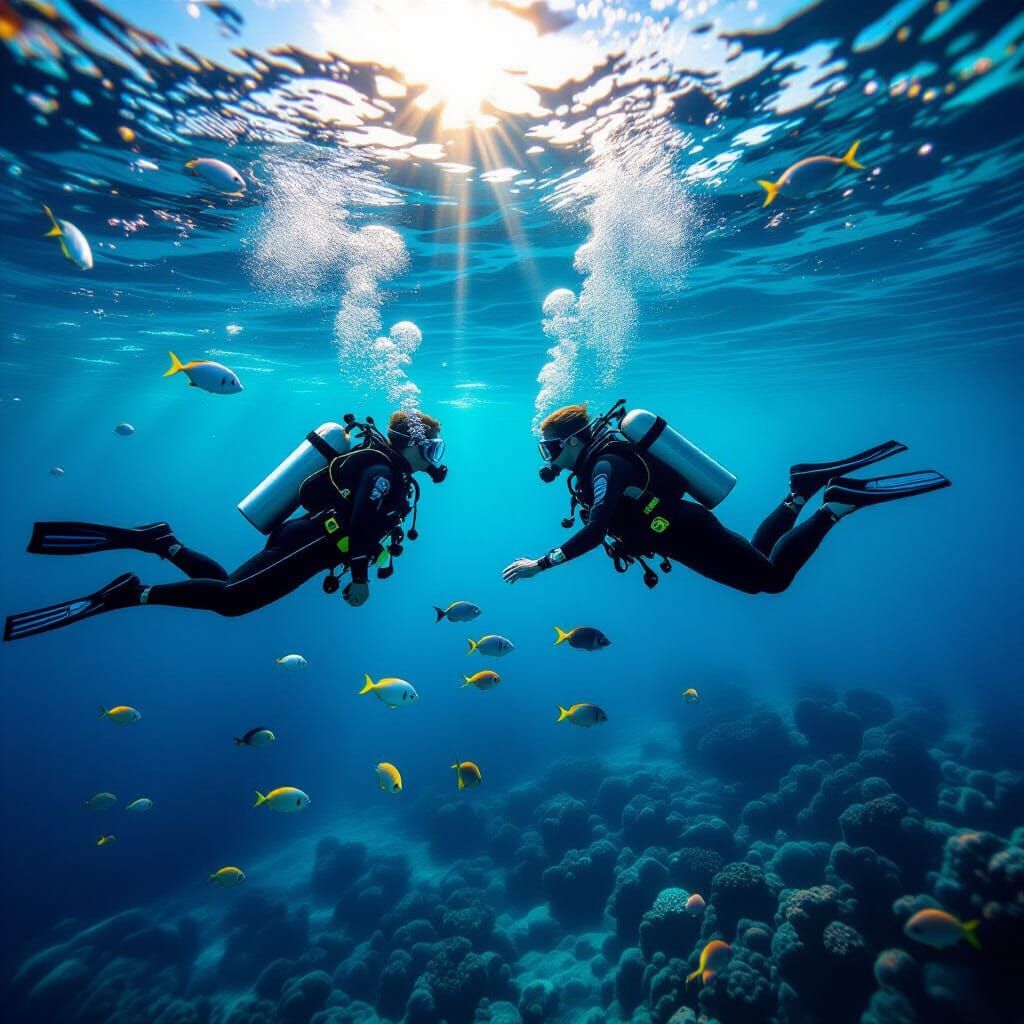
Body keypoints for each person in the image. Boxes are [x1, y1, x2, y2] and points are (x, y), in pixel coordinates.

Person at [4, 410, 447, 641]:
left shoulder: (387, 470)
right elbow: (364, 521)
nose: (435, 459)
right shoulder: (384, 473)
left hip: (304, 538)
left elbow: (364, 521)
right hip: (311, 545)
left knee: (228, 587)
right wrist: (359, 578)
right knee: (232, 601)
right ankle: (133, 595)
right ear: (414, 445)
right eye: (432, 449)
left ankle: (163, 543)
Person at [502, 402, 949, 594]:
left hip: (687, 533)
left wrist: (541, 564)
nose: (548, 457)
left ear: (575, 441)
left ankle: (835, 505)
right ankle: (800, 490)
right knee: (759, 563)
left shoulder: (603, 466)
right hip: (680, 533)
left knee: (770, 581)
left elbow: (597, 528)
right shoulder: (595, 463)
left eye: (551, 447)